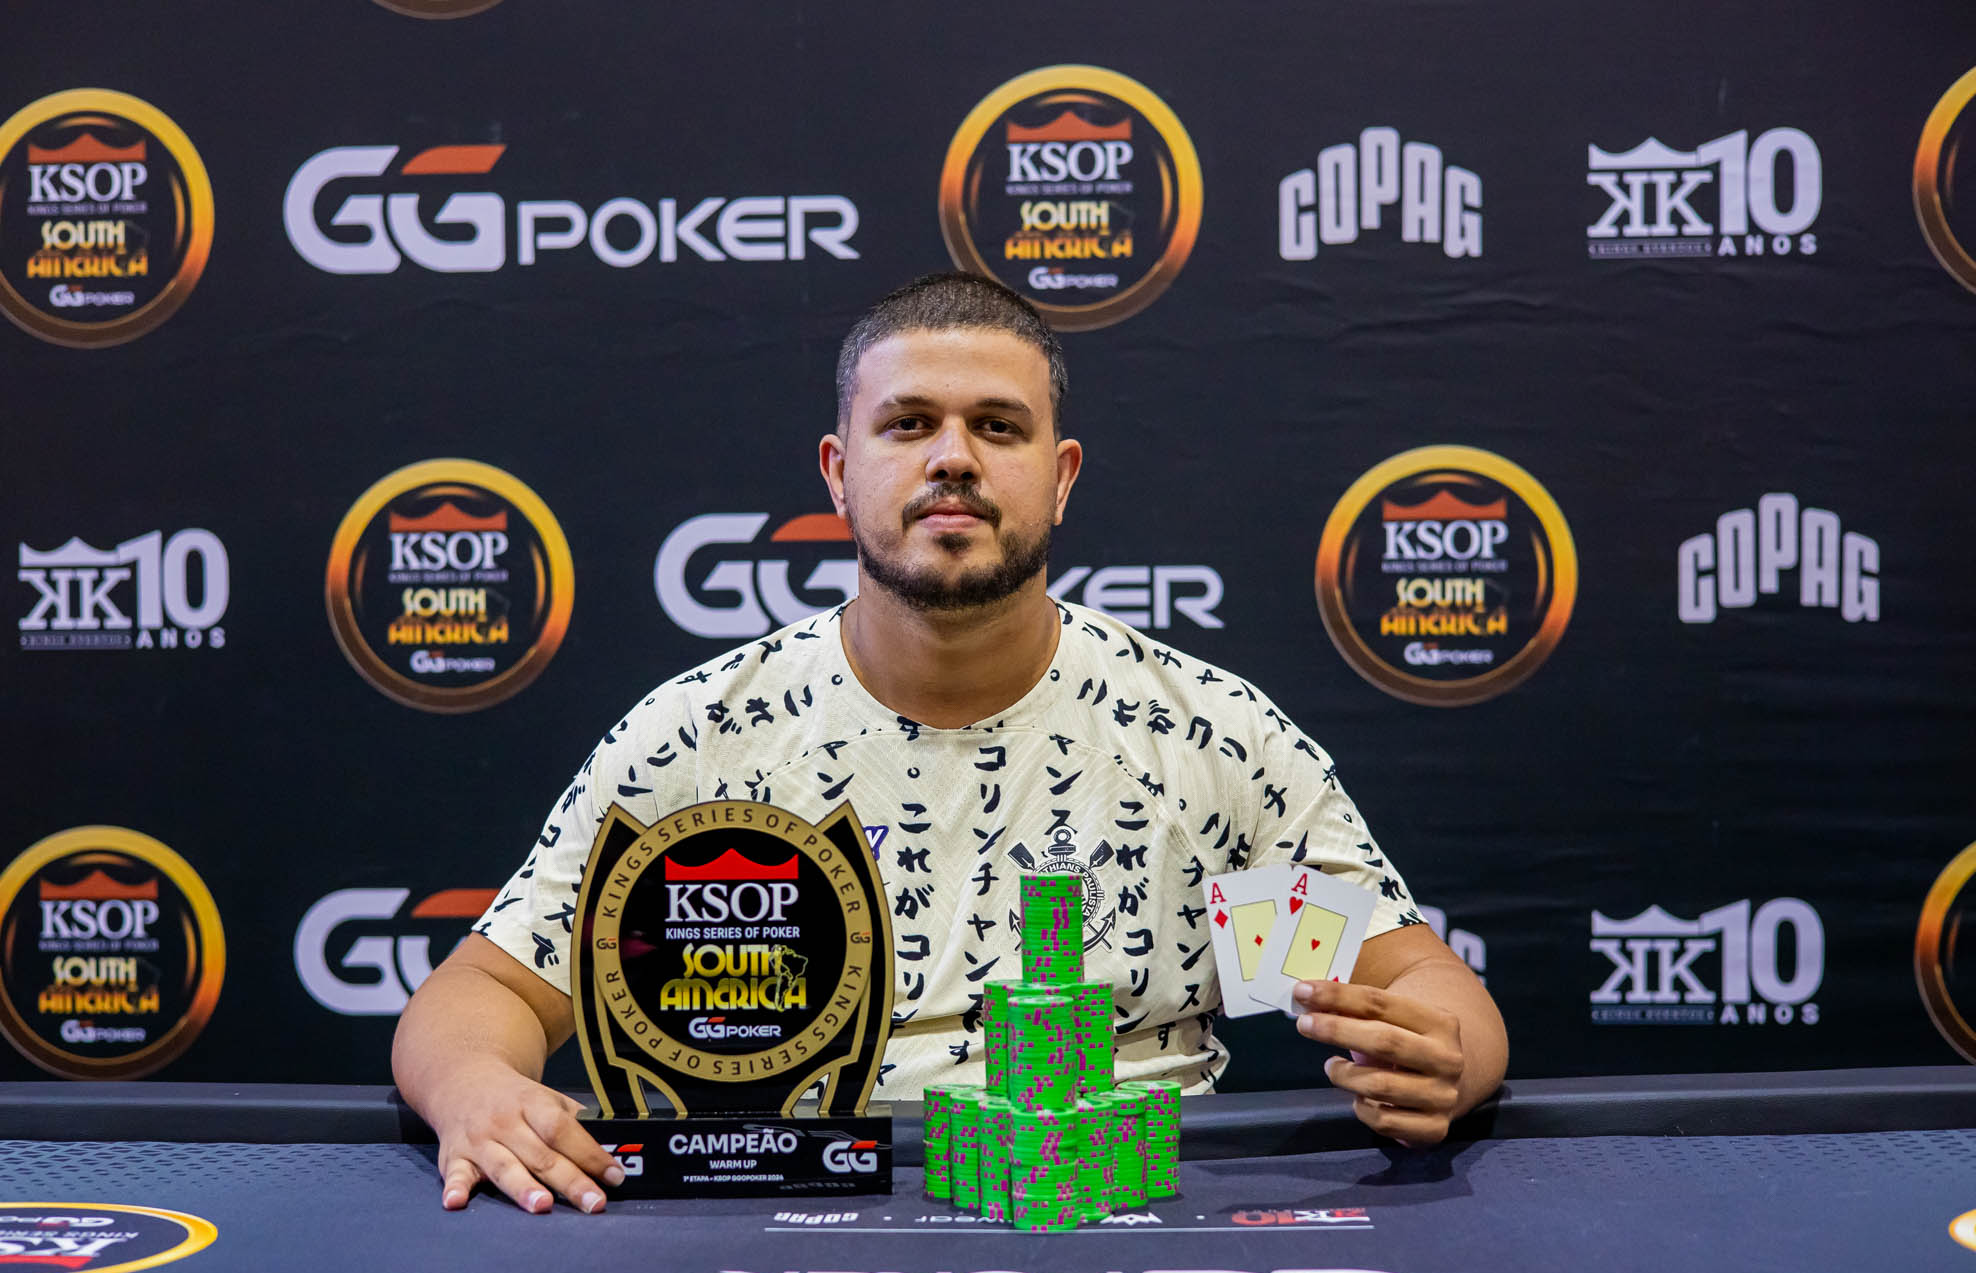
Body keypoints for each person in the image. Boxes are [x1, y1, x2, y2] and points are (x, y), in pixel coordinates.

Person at [392, 271, 1508, 1215]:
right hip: (778, 1219)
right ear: (839, 473)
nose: (954, 458)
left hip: (1124, 1220)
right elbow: (484, 992)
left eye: (998, 427)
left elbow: (1425, 987)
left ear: (1060, 478)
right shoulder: (703, 740)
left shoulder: (1200, 737)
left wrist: (1439, 1062)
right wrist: (475, 1087)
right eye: (909, 423)